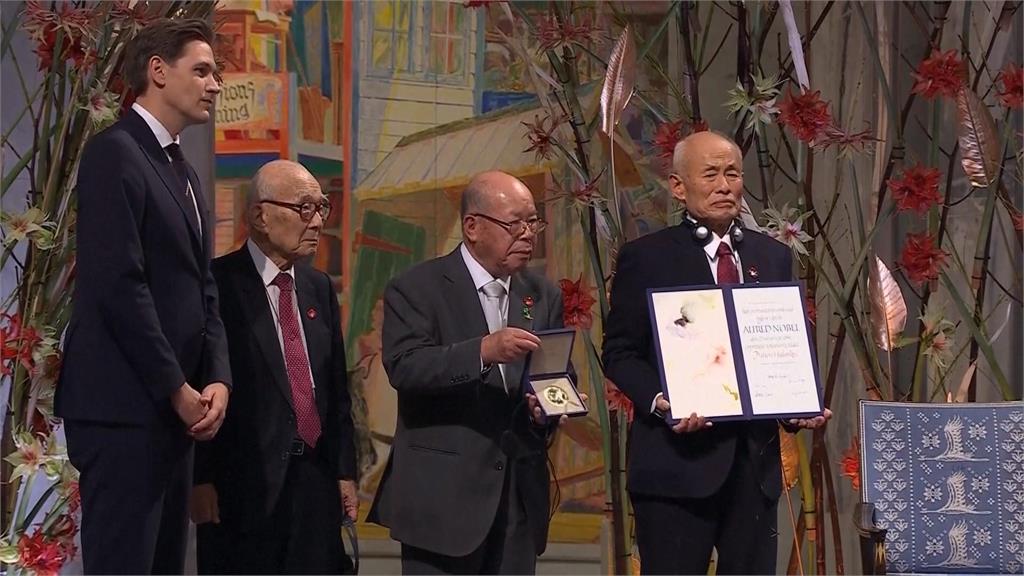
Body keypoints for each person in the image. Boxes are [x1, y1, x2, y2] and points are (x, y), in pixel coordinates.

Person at [602, 131, 831, 575]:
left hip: (754, 471)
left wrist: (799, 404)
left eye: (733, 174)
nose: (725, 186)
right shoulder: (646, 257)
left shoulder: (773, 256)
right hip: (675, 468)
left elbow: (789, 341)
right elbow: (619, 352)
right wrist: (661, 401)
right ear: (678, 186)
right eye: (710, 175)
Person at [55, 18, 229, 574]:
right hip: (124, 412)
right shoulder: (115, 153)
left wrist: (217, 378)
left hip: (174, 416)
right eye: (202, 70)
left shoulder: (184, 172)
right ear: (157, 71)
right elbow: (118, 287)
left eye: (216, 73)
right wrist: (176, 388)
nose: (215, 85)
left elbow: (203, 288)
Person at [368, 170, 565, 574]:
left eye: (534, 222)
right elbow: (405, 366)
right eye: (515, 224)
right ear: (472, 227)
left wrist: (547, 407)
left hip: (517, 499)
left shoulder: (542, 294)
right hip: (443, 501)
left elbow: (556, 371)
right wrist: (483, 351)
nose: (528, 234)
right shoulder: (416, 287)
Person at [190, 160, 358, 574]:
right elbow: (197, 381)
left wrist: (344, 472)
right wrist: (199, 477)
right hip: (241, 489)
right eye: (304, 208)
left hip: (315, 485)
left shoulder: (318, 287)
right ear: (260, 216)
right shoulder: (216, 284)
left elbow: (336, 392)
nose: (317, 221)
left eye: (321, 207)